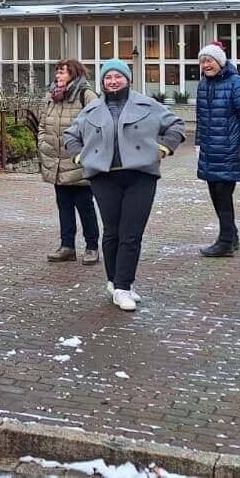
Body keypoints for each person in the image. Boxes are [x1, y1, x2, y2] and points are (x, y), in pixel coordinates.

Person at [63, 59, 186, 312]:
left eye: (118, 76)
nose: (113, 81)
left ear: (128, 79)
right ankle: (115, 282)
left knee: (132, 232)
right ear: (102, 82)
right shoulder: (91, 110)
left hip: (141, 175)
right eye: (108, 78)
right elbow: (70, 136)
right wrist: (79, 156)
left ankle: (123, 286)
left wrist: (164, 147)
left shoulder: (147, 105)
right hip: (104, 177)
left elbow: (176, 124)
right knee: (112, 231)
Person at [194, 42, 240, 258]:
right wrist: (198, 143)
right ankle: (232, 236)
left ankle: (226, 241)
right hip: (210, 150)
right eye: (202, 62)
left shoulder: (235, 82)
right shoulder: (203, 85)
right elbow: (201, 118)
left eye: (209, 61)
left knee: (223, 195)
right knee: (215, 194)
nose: (206, 65)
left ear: (220, 61)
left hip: (229, 149)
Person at [37, 58, 99, 264]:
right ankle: (67, 246)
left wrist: (83, 152)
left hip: (78, 161)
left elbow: (98, 126)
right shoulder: (51, 95)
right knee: (63, 205)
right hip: (56, 161)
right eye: (57, 72)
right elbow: (42, 124)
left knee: (85, 206)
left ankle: (91, 247)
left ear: (74, 74)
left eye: (63, 72)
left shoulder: (86, 94)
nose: (58, 76)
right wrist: (43, 144)